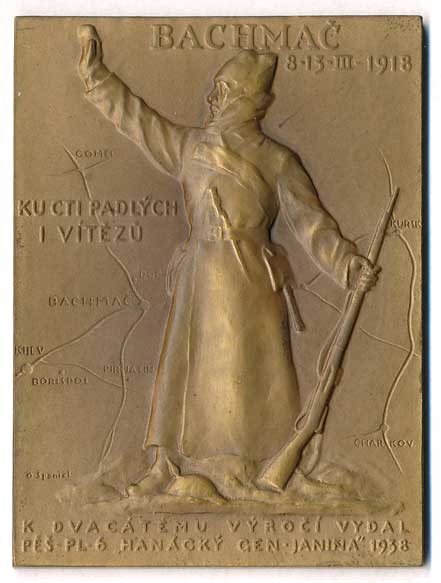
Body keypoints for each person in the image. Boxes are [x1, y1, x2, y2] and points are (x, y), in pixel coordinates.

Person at [77, 25, 379, 500]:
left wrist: (347, 264)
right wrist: (96, 77)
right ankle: (166, 465)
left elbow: (312, 225)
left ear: (246, 99)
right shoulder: (191, 147)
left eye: (223, 89)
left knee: (251, 378)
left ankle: (249, 466)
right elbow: (137, 120)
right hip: (200, 273)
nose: (212, 97)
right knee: (181, 373)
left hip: (251, 280)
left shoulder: (278, 161)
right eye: (215, 88)